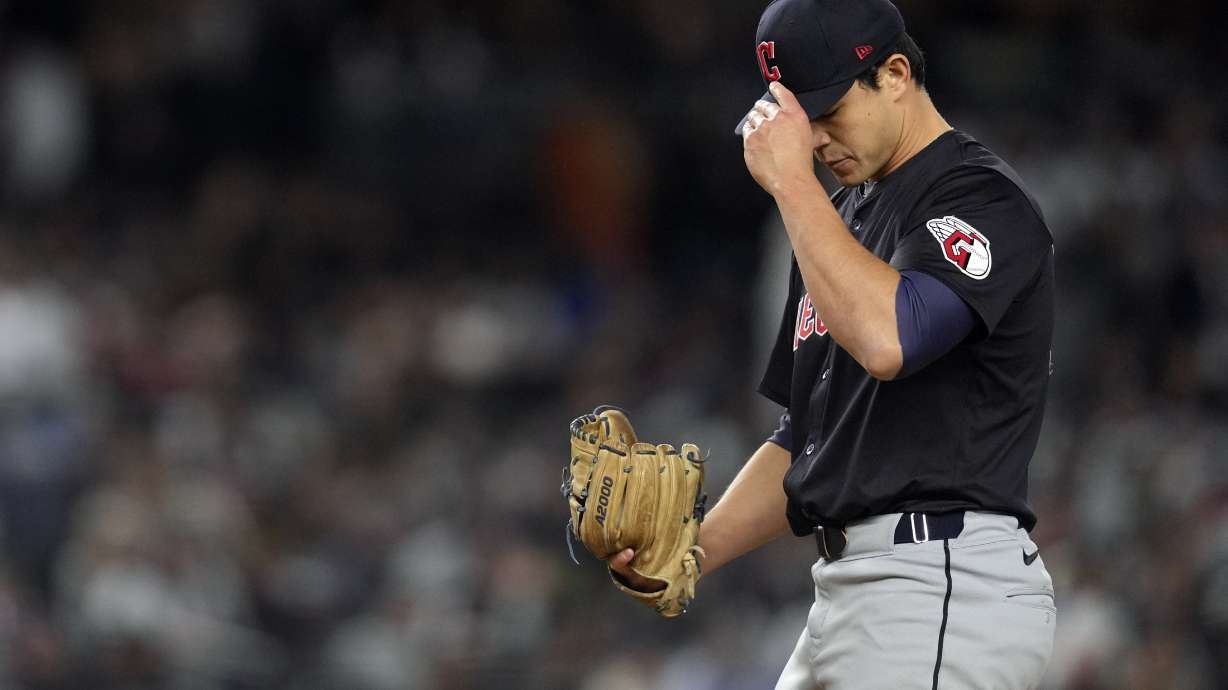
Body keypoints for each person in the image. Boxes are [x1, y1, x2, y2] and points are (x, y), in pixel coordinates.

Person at [609, 0, 1057, 687]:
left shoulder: (977, 195)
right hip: (850, 594)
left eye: (827, 112)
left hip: (940, 584)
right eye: (798, 119)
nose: (813, 141)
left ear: (896, 73)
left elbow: (890, 339)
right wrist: (688, 550)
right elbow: (808, 441)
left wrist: (792, 186)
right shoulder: (837, 221)